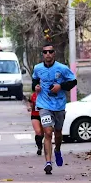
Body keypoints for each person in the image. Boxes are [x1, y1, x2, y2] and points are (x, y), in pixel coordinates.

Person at [32, 43, 77, 175]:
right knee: (47, 132)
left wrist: (60, 86)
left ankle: (57, 149)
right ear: (42, 54)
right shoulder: (37, 68)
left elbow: (73, 81)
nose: (48, 54)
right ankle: (48, 163)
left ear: (54, 53)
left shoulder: (62, 68)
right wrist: (36, 87)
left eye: (50, 52)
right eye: (45, 52)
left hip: (59, 105)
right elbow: (35, 80)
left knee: (57, 132)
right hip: (43, 104)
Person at [27, 91, 44, 155]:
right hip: (35, 115)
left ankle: (40, 142)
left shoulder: (45, 94)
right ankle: (39, 148)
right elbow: (30, 103)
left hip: (44, 115)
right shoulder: (33, 95)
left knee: (42, 133)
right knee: (38, 131)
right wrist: (29, 107)